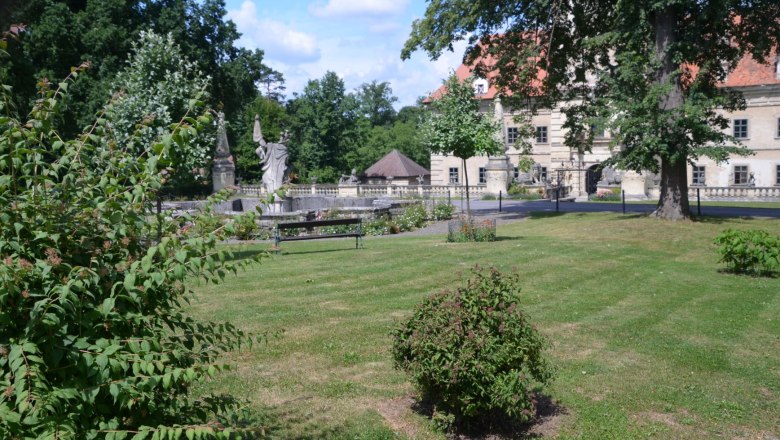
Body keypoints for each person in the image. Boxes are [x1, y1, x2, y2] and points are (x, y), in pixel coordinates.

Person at [253, 115, 289, 194]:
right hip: (274, 173)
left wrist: (264, 160)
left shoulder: (270, 146)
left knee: (274, 189)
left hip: (275, 173)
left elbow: (267, 152)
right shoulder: (271, 147)